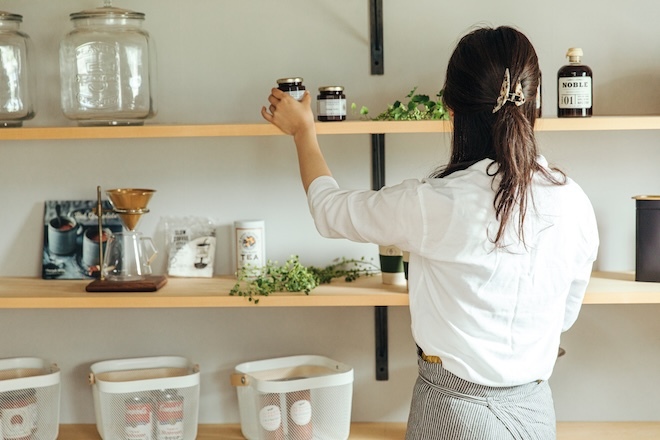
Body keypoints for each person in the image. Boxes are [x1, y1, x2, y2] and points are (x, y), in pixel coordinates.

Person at [262, 25, 599, 440]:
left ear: (451, 109)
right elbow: (564, 314)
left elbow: (329, 211)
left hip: (454, 416)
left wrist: (303, 132)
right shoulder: (575, 202)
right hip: (536, 414)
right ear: (537, 106)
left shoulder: (436, 204)